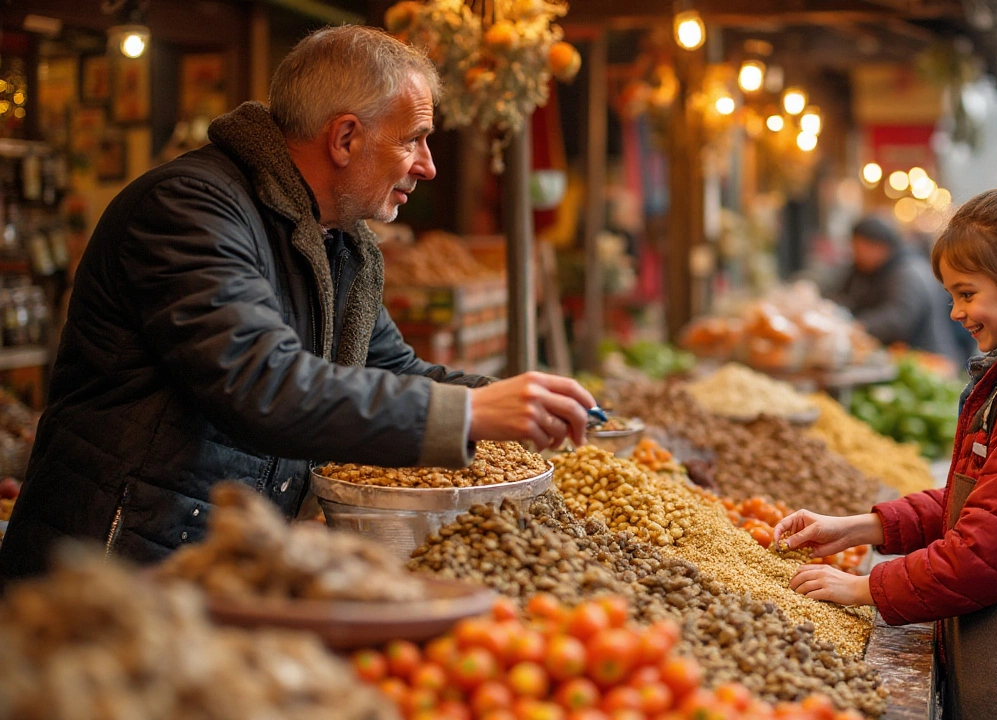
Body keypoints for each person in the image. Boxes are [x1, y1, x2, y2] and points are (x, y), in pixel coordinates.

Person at [0, 26, 595, 584]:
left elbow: (390, 370)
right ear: (344, 137)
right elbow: (262, 383)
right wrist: (469, 416)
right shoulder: (188, 209)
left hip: (219, 561)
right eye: (413, 139)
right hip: (112, 568)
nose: (428, 165)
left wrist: (527, 403)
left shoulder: (339, 243)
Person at [777, 160, 997, 720]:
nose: (955, 312)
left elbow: (987, 552)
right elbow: (984, 504)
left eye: (966, 294)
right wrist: (859, 526)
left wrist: (864, 586)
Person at [830, 216, 965, 366]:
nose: (855, 254)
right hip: (908, 359)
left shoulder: (907, 272)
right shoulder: (871, 270)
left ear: (877, 246)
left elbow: (899, 317)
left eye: (858, 247)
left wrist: (858, 326)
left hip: (930, 360)